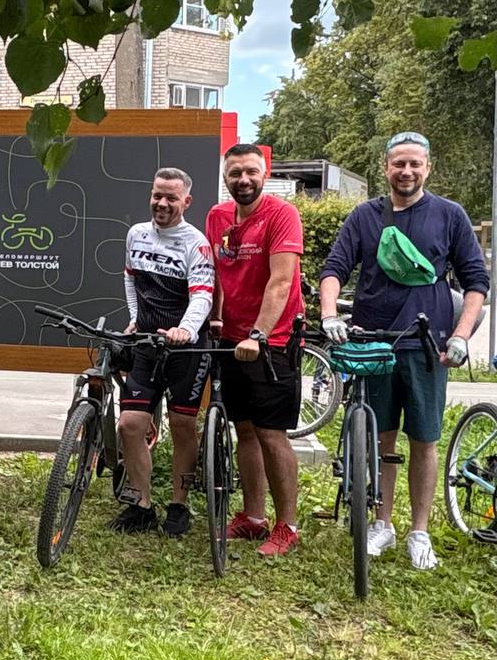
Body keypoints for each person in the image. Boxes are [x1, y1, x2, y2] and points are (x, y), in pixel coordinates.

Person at [319, 131, 489, 569]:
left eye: (415, 164)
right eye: (399, 164)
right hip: (373, 342)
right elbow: (334, 269)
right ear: (386, 167)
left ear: (428, 167)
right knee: (381, 438)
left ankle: (419, 531)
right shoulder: (364, 216)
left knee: (425, 439)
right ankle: (382, 523)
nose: (406, 171)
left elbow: (476, 282)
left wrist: (461, 336)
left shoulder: (449, 215)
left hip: (427, 346)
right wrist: (329, 314)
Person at [204, 143, 306, 557]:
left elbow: (281, 281)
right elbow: (217, 273)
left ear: (265, 174)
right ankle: (253, 517)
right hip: (232, 339)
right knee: (243, 428)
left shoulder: (282, 215)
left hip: (273, 340)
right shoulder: (217, 217)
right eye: (235, 173)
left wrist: (258, 335)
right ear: (225, 178)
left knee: (270, 432)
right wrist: (215, 318)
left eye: (250, 172)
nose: (243, 180)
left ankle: (287, 526)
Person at [114, 168, 215, 537]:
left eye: (171, 197)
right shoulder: (136, 234)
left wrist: (185, 330)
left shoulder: (196, 243)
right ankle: (141, 505)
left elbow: (203, 296)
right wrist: (134, 318)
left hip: (186, 349)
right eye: (157, 195)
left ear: (186, 202)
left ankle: (179, 503)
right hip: (147, 345)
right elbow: (130, 278)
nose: (162, 203)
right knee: (130, 425)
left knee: (183, 425)